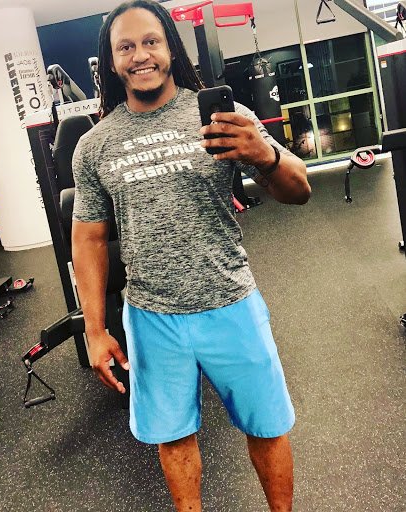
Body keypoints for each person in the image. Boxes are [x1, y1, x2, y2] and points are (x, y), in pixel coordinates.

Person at [71, 1, 311, 511]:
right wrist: (94, 329)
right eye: (126, 46)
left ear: (170, 48)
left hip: (231, 302)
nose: (140, 55)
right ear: (111, 60)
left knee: (268, 427)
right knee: (173, 439)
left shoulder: (226, 116)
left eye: (151, 41)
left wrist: (264, 155)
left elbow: (299, 191)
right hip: (151, 316)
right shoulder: (94, 146)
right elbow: (88, 238)